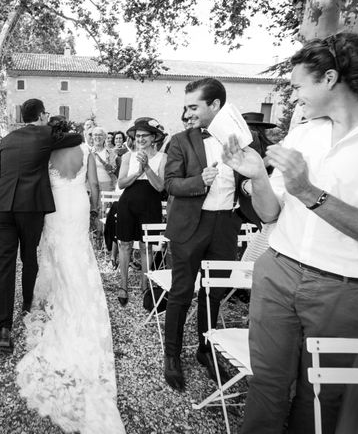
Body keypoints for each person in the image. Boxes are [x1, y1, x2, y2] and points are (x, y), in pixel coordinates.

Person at [222, 33, 358, 434]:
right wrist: (256, 178)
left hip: (345, 289)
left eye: (299, 84)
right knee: (265, 383)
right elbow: (270, 214)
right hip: (277, 270)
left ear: (329, 78)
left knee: (321, 396)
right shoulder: (303, 133)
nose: (293, 93)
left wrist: (309, 192)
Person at [16, 115, 124, 433]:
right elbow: (92, 185)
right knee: (80, 253)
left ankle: (63, 298)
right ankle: (82, 298)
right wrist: (96, 213)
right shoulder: (85, 151)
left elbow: (38, 184)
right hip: (77, 205)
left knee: (59, 256)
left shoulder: (46, 152)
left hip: (56, 209)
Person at [162, 77, 259, 391]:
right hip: (191, 225)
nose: (189, 113)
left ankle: (206, 349)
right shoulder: (180, 141)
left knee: (213, 292)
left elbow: (253, 179)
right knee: (180, 293)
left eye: (194, 106)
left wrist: (247, 185)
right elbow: (171, 184)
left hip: (225, 226)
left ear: (215, 105)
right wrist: (198, 181)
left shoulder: (244, 140)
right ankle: (172, 356)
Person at [0, 99, 82, 352]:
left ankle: (4, 327)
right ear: (42, 115)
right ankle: (26, 304)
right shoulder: (46, 133)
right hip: (30, 206)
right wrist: (55, 127)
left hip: (2, 206)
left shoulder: (7, 139)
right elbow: (75, 138)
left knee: (4, 263)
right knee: (29, 256)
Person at [115, 118, 167, 306]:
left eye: (145, 135)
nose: (141, 139)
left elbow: (161, 187)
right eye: (138, 136)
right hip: (128, 203)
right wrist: (137, 172)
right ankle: (123, 285)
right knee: (125, 244)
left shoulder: (163, 158)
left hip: (150, 204)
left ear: (154, 137)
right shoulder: (128, 157)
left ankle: (145, 286)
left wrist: (147, 168)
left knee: (147, 246)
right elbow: (121, 183)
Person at [91, 126, 118, 192]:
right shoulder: (88, 151)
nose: (97, 137)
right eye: (95, 135)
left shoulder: (111, 152)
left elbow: (112, 169)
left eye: (100, 135)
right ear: (92, 137)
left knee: (106, 202)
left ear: (105, 137)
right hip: (91, 184)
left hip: (107, 184)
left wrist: (100, 160)